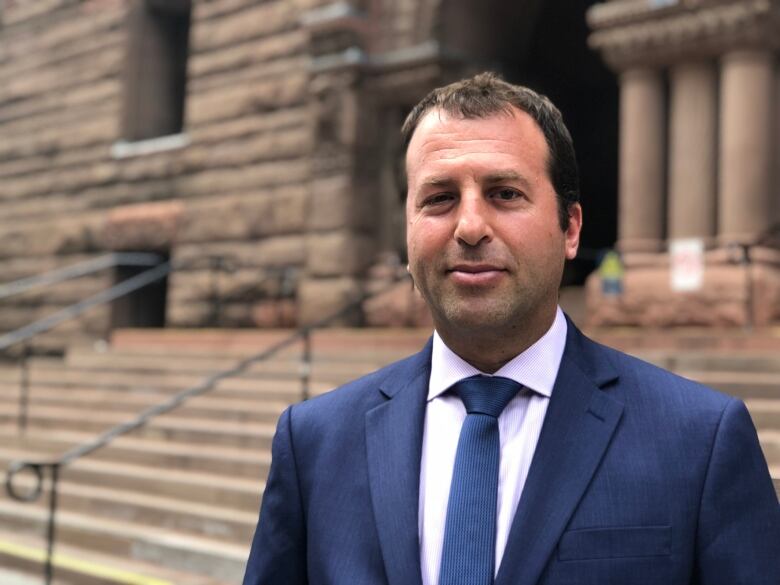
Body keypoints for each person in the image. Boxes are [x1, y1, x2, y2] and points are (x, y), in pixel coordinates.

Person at [242, 72, 780, 585]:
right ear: (407, 232)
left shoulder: (701, 441)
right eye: (439, 198)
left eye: (504, 193)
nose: (470, 226)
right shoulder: (313, 444)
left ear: (569, 229)